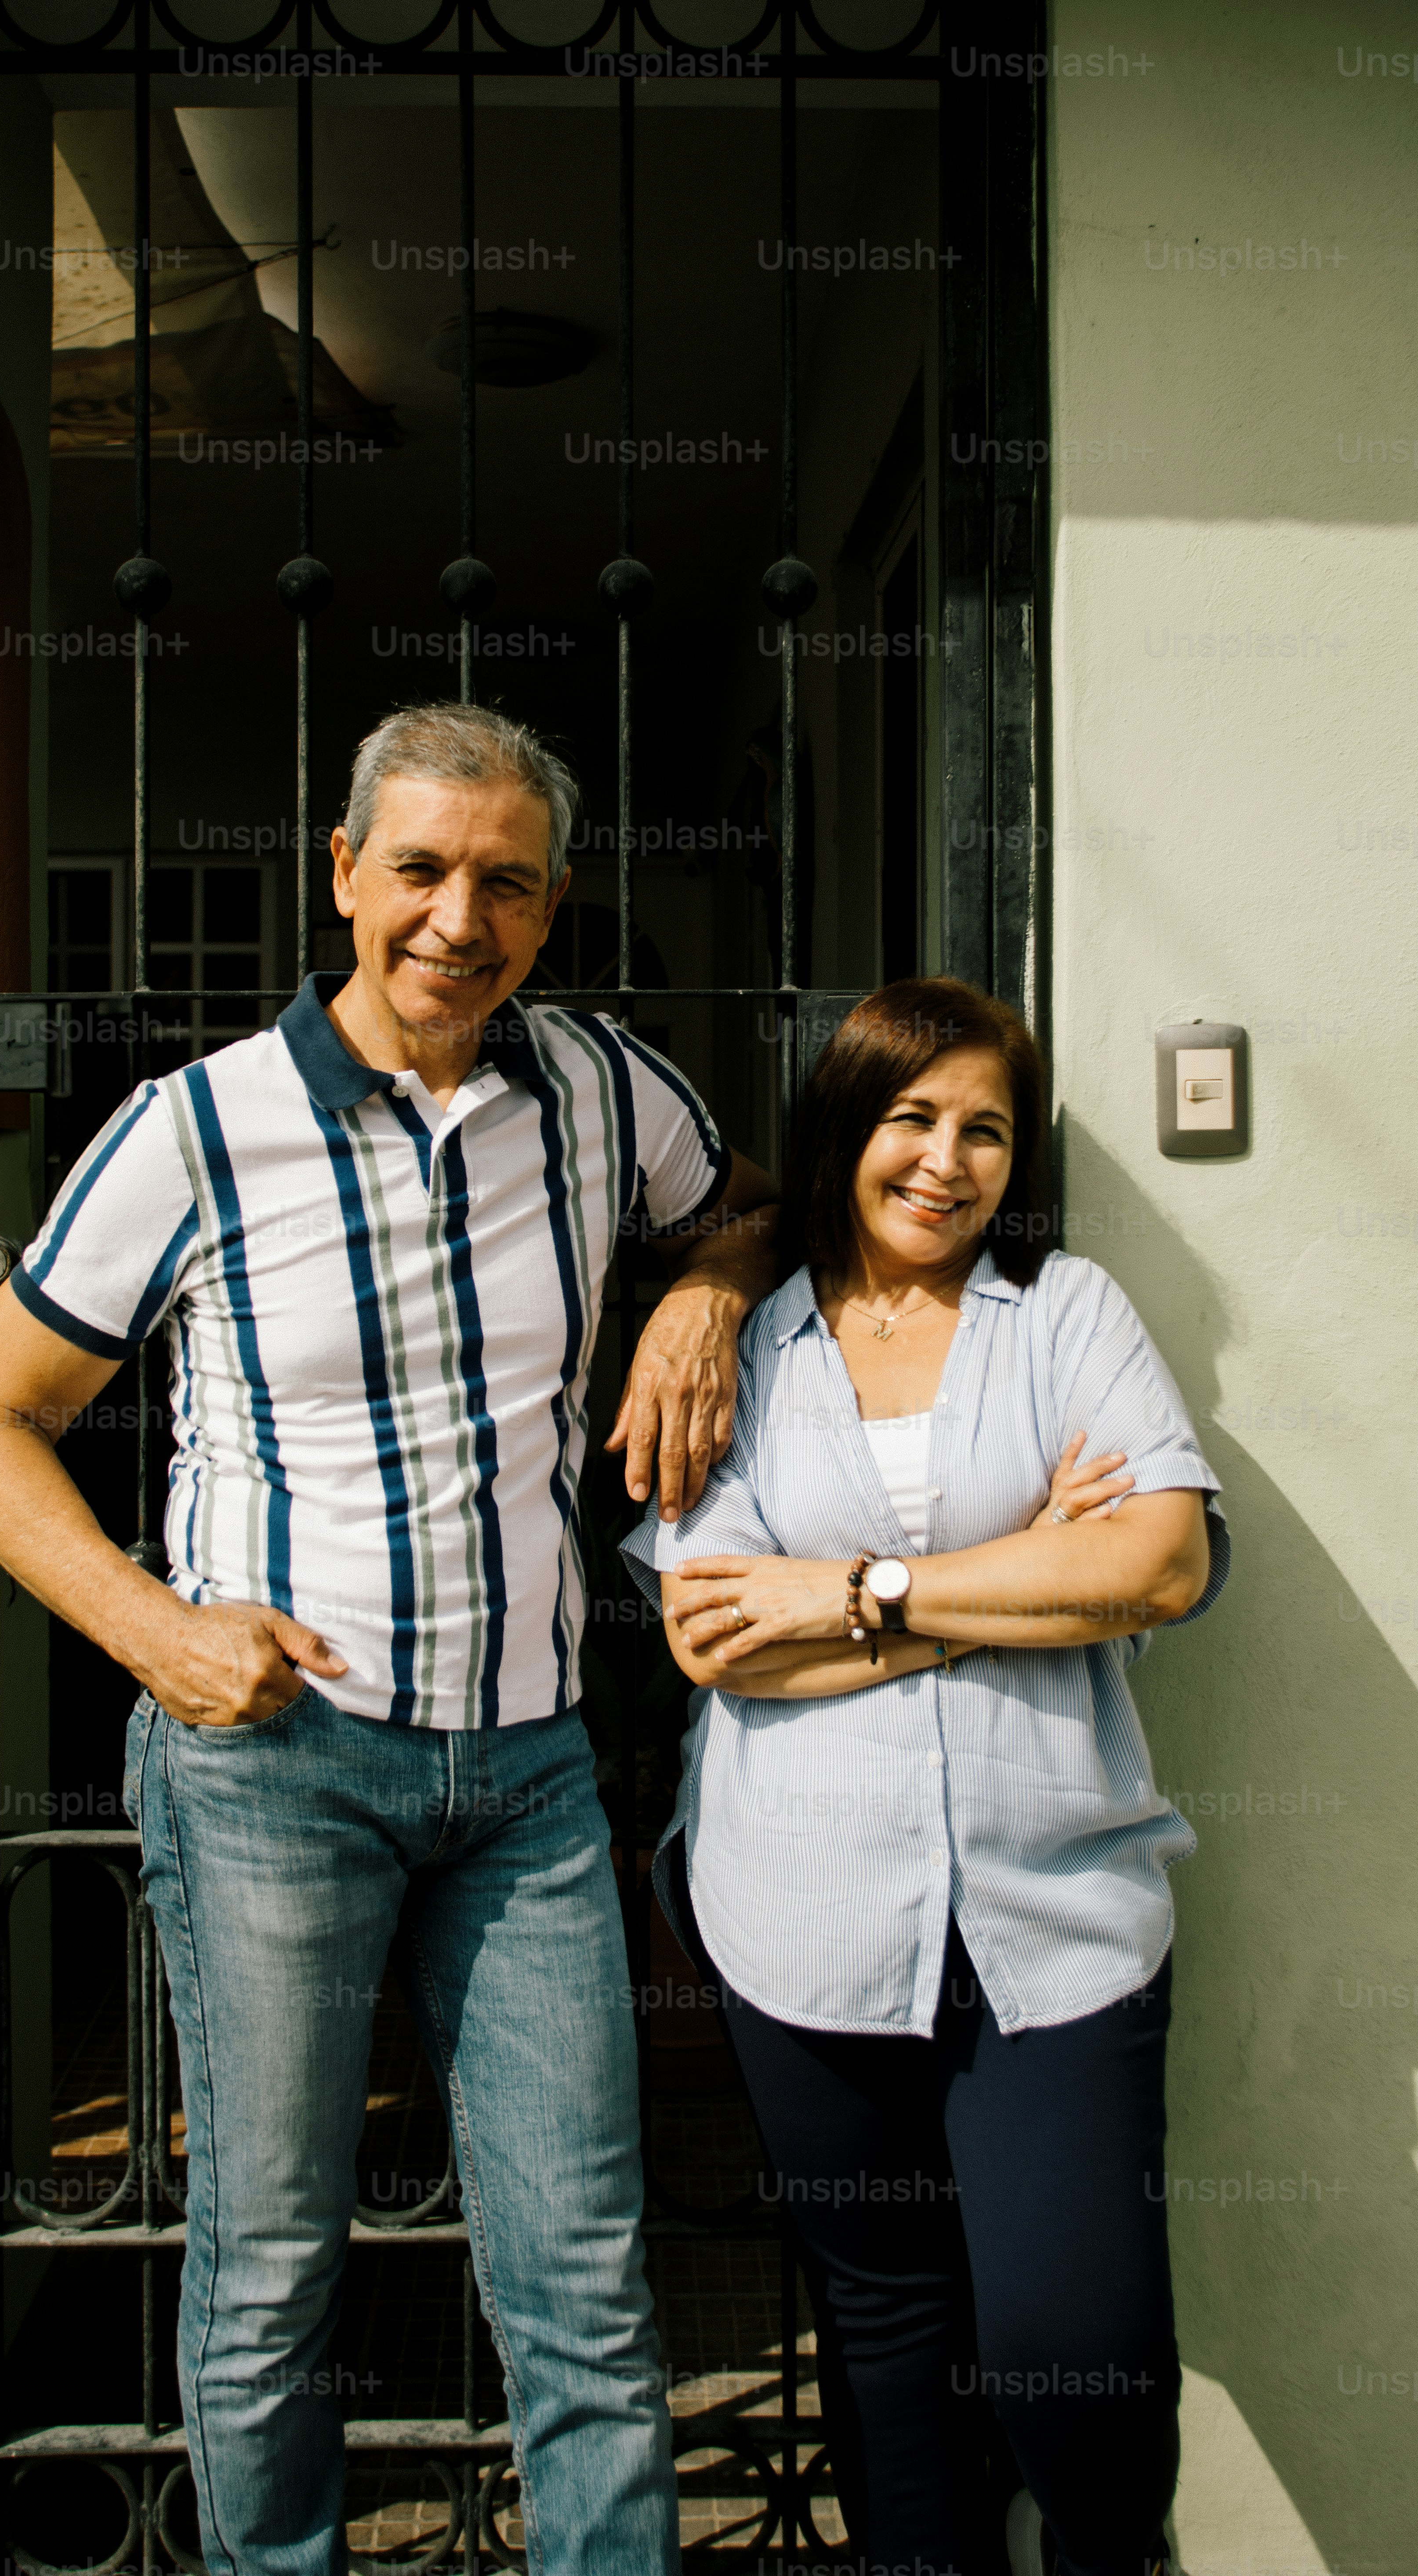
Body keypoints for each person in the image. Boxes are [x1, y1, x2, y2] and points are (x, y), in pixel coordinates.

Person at [0, 702, 781, 2576]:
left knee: (581, 2273)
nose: (455, 918)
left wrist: (701, 1298)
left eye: (504, 881)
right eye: (417, 868)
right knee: (270, 2267)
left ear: (549, 910)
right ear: (342, 873)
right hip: (276, 1777)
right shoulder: (194, 1129)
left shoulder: (601, 1087)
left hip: (536, 1774)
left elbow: (740, 1213)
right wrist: (152, 1630)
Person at [622, 978, 1229, 2576]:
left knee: (1073, 2364)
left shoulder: (1069, 1314)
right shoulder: (744, 1349)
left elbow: (1160, 1561)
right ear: (843, 1130)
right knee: (892, 2371)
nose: (944, 1162)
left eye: (982, 1130)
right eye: (910, 1119)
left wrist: (864, 1590)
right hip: (802, 1928)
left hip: (1058, 1927)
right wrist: (1035, 1566)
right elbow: (714, 1637)